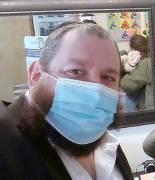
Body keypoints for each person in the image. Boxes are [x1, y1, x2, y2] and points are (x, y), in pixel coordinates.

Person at [0, 23, 133, 179]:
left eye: (108, 78)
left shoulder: (103, 139)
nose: (95, 93)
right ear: (36, 75)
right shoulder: (5, 146)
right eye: (75, 71)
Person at [120, 35, 154, 111]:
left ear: (133, 49)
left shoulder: (145, 62)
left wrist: (121, 75)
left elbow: (128, 85)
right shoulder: (149, 59)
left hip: (146, 108)